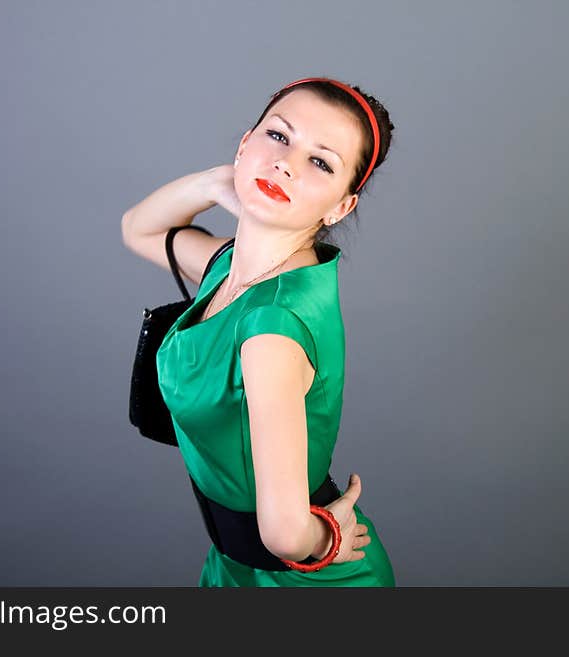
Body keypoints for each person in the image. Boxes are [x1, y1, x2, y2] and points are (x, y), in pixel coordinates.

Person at [122, 77, 396, 586]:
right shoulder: (229, 269)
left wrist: (328, 540)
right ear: (245, 142)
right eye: (278, 136)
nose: (286, 163)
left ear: (340, 207)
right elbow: (139, 229)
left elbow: (287, 534)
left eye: (321, 163)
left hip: (295, 581)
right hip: (234, 565)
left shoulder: (271, 330)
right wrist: (211, 182)